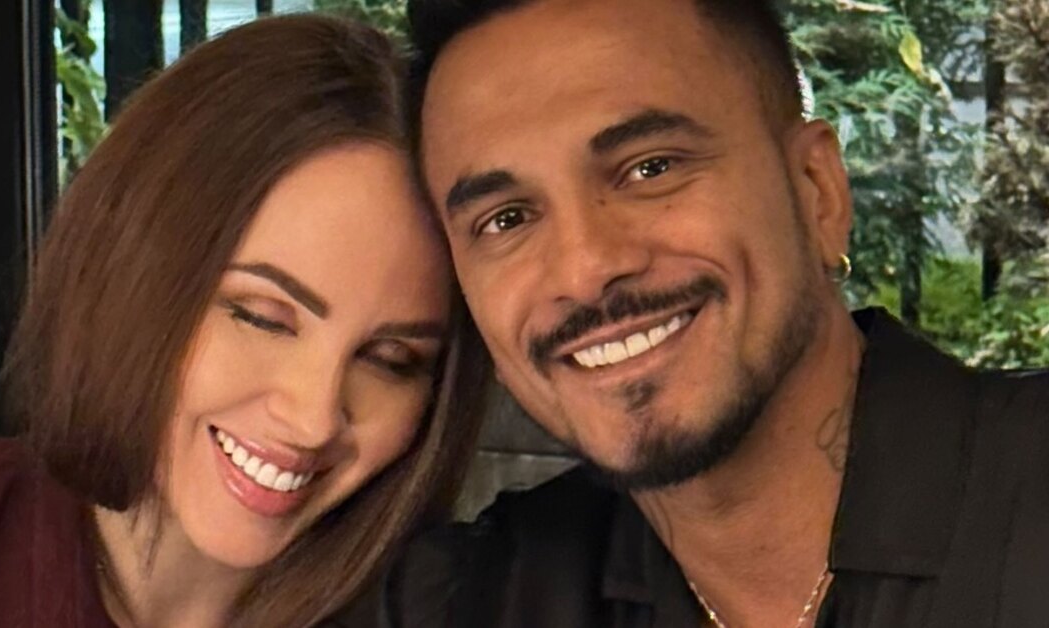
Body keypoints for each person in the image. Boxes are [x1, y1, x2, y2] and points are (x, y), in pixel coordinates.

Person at [364, 0, 1049, 626]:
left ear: (818, 192)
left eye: (651, 168)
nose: (584, 269)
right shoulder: (475, 600)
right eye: (506, 219)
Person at [0, 14, 488, 628]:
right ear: (129, 273)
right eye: (262, 318)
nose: (314, 418)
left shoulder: (452, 604)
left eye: (391, 361)